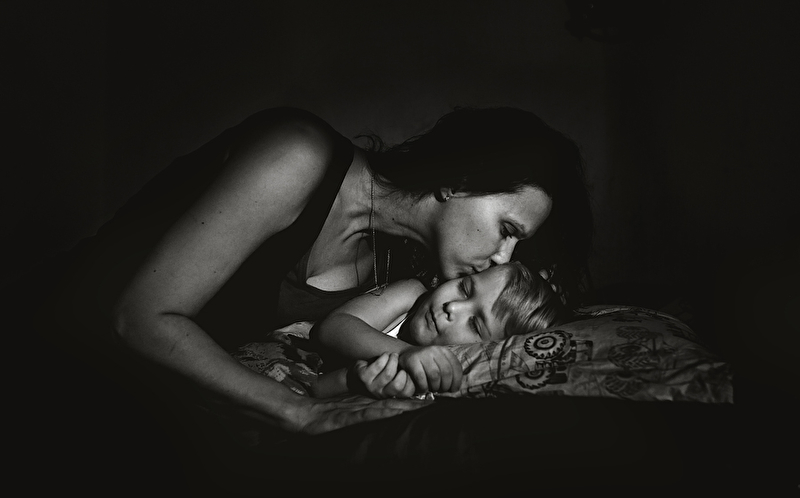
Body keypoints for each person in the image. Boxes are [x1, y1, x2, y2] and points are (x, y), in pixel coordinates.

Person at [21, 105, 591, 438]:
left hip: (129, 405)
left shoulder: (402, 269)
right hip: (47, 349)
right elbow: (137, 317)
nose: (503, 257)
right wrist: (298, 411)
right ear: (459, 181)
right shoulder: (298, 155)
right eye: (507, 229)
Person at [307, 261, 565, 399]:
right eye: (465, 288)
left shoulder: (442, 385)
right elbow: (331, 328)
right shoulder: (412, 295)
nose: (453, 307)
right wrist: (406, 354)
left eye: (475, 324)